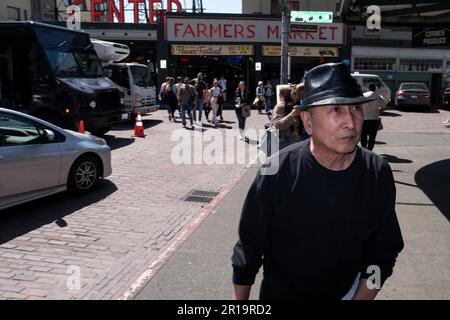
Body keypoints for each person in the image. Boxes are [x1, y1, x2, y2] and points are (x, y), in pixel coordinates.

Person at [231, 62, 404, 300]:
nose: (351, 123)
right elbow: (249, 248)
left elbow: (383, 253)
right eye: (336, 110)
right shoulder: (277, 171)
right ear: (308, 122)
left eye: (355, 109)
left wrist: (361, 298)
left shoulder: (377, 173)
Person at [271, 84, 303, 149]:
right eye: (294, 94)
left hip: (297, 144)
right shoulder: (280, 107)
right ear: (289, 95)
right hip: (284, 145)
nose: (297, 96)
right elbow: (277, 125)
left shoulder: (299, 106)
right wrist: (291, 115)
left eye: (297, 94)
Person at [361, 83, 385, 151]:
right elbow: (383, 108)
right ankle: (370, 150)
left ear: (368, 88)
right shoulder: (379, 97)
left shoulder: (363, 95)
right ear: (375, 88)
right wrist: (377, 111)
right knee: (372, 136)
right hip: (374, 119)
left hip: (364, 119)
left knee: (363, 135)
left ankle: (363, 149)